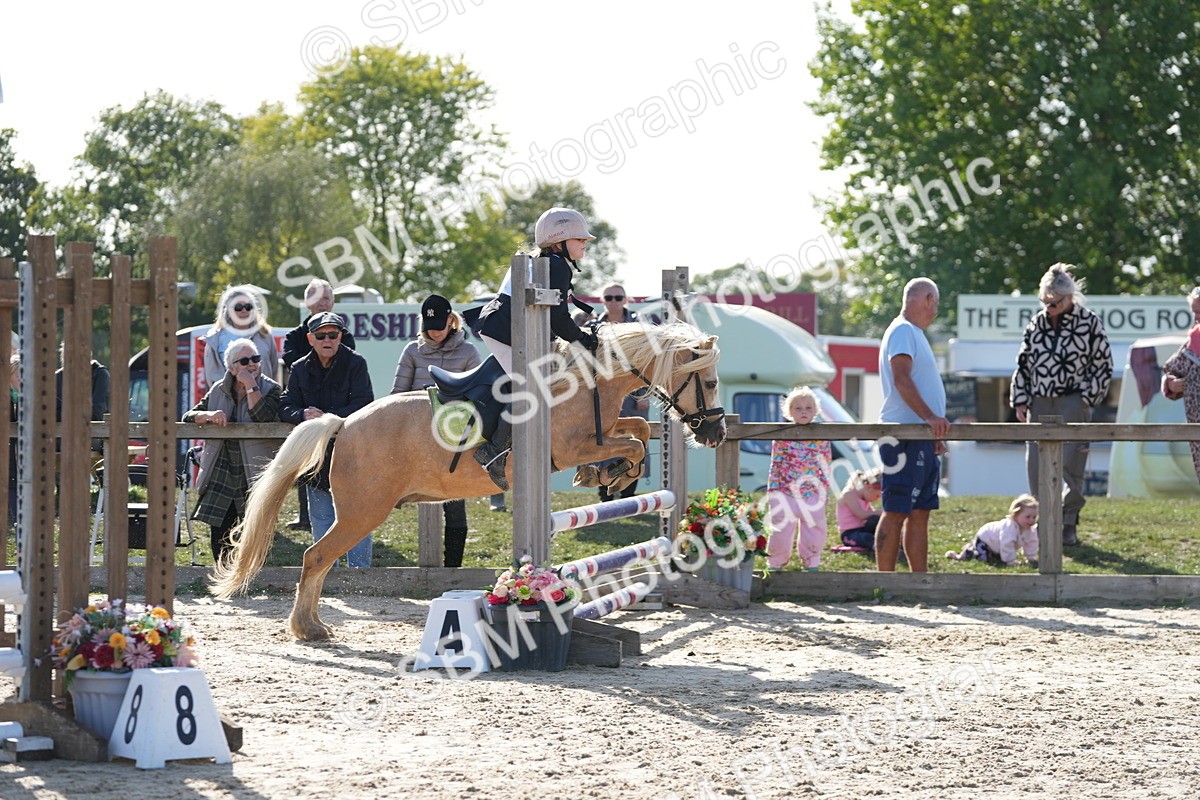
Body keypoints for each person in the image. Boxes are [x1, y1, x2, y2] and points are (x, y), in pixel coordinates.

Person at [473, 207, 600, 489]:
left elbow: (551, 316)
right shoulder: (555, 265)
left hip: (511, 327)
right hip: (505, 329)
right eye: (579, 239)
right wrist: (583, 340)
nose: (584, 243)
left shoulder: (549, 262)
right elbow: (558, 316)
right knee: (532, 386)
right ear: (559, 241)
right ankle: (493, 452)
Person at [1010, 263, 1112, 547]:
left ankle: (1068, 522)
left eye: (1053, 303)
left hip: (1072, 400)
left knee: (1070, 464)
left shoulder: (1089, 322)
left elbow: (1103, 365)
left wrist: (1086, 398)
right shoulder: (1037, 322)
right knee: (1036, 465)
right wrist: (1020, 398)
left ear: (1069, 298)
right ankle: (1043, 521)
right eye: (1044, 302)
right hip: (1040, 402)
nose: (1048, 307)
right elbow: (1023, 362)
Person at [390, 294, 481, 567]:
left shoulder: (469, 352)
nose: (435, 331)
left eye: (440, 325)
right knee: (423, 502)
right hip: (417, 440)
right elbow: (397, 396)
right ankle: (427, 569)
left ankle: (453, 569)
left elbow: (478, 397)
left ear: (451, 321)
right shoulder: (411, 351)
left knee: (456, 507)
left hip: (454, 441)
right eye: (430, 326)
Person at [279, 312, 374, 567]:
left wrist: (328, 419)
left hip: (353, 454)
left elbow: (365, 403)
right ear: (310, 339)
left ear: (340, 337)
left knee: (358, 517)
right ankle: (324, 575)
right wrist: (302, 413)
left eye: (333, 334)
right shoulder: (298, 368)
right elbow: (285, 405)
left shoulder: (357, 363)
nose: (327, 340)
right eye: (321, 335)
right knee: (321, 518)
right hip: (317, 457)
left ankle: (361, 575)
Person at [183, 338, 282, 564]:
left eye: (255, 359)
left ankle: (249, 575)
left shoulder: (272, 389)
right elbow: (188, 416)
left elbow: (263, 416)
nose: (252, 365)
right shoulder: (218, 389)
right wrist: (208, 416)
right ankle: (222, 573)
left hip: (254, 468)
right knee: (220, 528)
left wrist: (251, 386)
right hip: (222, 466)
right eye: (245, 360)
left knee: (252, 528)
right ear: (231, 367)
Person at [876, 277, 950, 573]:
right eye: (937, 304)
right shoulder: (904, 330)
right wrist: (931, 418)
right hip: (902, 435)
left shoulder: (913, 333)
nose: (936, 312)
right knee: (895, 511)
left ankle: (919, 582)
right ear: (928, 299)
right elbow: (901, 378)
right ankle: (884, 582)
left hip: (919, 434)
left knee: (920, 512)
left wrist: (931, 429)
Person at [281, 278, 357, 532]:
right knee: (306, 463)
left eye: (328, 297)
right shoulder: (294, 337)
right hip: (306, 409)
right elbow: (294, 365)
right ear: (307, 302)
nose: (324, 302)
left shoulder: (345, 334)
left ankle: (343, 519)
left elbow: (346, 362)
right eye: (318, 297)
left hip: (337, 413)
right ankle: (306, 516)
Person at [765, 386, 832, 572]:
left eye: (808, 408)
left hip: (813, 493)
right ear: (789, 411)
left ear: (816, 411)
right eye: (798, 408)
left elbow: (826, 465)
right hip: (785, 493)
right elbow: (776, 464)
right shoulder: (782, 436)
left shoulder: (821, 437)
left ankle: (811, 563)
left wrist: (825, 491)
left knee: (815, 531)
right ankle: (775, 564)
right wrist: (773, 489)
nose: (803, 411)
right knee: (780, 531)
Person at [594, 283, 650, 502]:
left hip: (633, 396)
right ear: (603, 300)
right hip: (602, 396)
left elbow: (647, 363)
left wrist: (644, 395)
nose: (614, 301)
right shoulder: (594, 326)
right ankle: (604, 493)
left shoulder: (639, 325)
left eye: (618, 297)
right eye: (609, 297)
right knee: (602, 441)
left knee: (632, 442)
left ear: (626, 300)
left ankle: (628, 492)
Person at [201, 285, 280, 389]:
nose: (244, 311)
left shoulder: (265, 335)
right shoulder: (215, 339)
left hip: (262, 397)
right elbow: (210, 378)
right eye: (238, 307)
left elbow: (274, 371)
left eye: (248, 307)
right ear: (227, 310)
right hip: (227, 399)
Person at [1161, 286, 1200, 484]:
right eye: (1194, 312)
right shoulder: (1194, 340)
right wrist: (1170, 383)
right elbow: (1171, 369)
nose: (1196, 318)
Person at [946, 494, 1039, 567]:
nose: (1031, 520)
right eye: (1028, 517)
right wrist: (1010, 561)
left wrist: (1030, 557)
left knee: (996, 559)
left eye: (1034, 517)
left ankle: (999, 556)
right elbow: (1007, 544)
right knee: (983, 558)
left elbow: (1031, 543)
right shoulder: (1009, 528)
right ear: (1015, 515)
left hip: (997, 547)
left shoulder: (1030, 529)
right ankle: (968, 552)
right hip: (986, 540)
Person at [837, 467, 882, 551]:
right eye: (877, 496)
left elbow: (871, 515)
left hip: (862, 529)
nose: (877, 499)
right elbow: (861, 514)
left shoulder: (864, 497)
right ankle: (882, 549)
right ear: (869, 488)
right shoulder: (849, 494)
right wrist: (879, 512)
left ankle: (894, 541)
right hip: (849, 533)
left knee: (875, 520)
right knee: (867, 537)